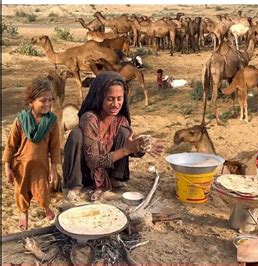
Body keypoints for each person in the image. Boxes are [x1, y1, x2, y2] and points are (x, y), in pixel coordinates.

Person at [62, 71, 163, 201]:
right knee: (76, 135)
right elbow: (93, 161)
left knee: (124, 132)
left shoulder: (120, 120)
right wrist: (127, 149)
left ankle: (114, 178)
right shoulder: (89, 118)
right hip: (85, 171)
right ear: (100, 98)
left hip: (106, 167)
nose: (116, 104)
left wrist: (143, 144)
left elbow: (130, 144)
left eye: (119, 98)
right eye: (110, 99)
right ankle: (74, 186)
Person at [3, 77, 60, 230]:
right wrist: (7, 166)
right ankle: (23, 213)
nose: (48, 104)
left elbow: (54, 148)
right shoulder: (21, 120)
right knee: (21, 192)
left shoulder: (52, 121)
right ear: (31, 102)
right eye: (43, 100)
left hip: (41, 166)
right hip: (21, 166)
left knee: (43, 190)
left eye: (50, 100)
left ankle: (46, 208)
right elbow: (10, 146)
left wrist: (54, 169)